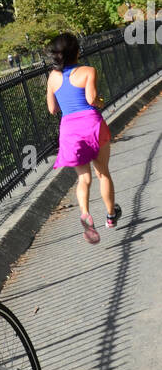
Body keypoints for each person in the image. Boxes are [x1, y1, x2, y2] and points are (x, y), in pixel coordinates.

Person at [46, 32, 121, 243]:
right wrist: (101, 101)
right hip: (92, 125)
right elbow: (91, 98)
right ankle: (110, 217)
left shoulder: (53, 77)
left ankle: (86, 214)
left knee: (83, 178)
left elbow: (52, 109)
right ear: (77, 51)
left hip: (70, 129)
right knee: (103, 173)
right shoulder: (88, 71)